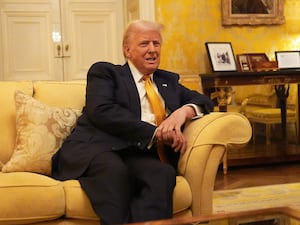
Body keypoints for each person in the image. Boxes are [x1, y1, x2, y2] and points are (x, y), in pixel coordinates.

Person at [51, 19, 214, 225]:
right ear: (127, 50)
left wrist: (182, 112)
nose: (153, 50)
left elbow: (204, 101)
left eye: (157, 43)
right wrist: (155, 133)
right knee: (114, 172)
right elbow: (102, 112)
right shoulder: (106, 74)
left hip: (135, 153)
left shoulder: (167, 81)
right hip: (97, 148)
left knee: (162, 173)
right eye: (144, 44)